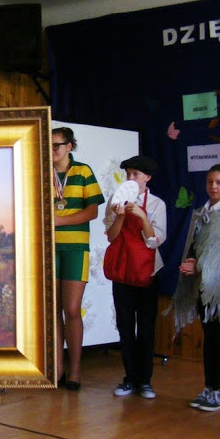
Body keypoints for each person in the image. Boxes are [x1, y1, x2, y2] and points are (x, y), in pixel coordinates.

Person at [169, 164, 220, 411]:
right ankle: (209, 388)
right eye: (210, 182)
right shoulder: (201, 214)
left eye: (219, 182)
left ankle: (218, 392)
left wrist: (198, 264)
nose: (213, 186)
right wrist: (191, 261)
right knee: (210, 337)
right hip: (203, 286)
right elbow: (195, 246)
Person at [104, 156, 166, 399]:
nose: (130, 178)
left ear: (147, 178)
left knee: (147, 327)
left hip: (147, 271)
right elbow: (111, 237)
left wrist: (141, 216)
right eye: (128, 174)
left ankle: (145, 380)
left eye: (136, 175)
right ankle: (130, 377)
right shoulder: (115, 200)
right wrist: (120, 215)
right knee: (125, 325)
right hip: (122, 271)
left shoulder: (157, 204)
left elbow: (154, 242)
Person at [51, 127, 104, 390]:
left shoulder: (83, 172)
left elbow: (92, 212)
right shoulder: (40, 171)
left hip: (75, 249)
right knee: (52, 311)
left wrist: (59, 221)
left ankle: (75, 371)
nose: (52, 150)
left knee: (71, 309)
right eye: (48, 145)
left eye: (56, 145)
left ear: (69, 146)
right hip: (48, 249)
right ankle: (57, 370)